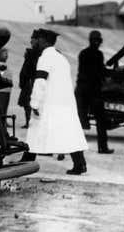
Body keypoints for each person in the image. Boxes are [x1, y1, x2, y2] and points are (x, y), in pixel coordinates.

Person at [22, 29, 89, 175]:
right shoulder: (61, 57)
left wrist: (34, 103)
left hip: (50, 104)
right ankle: (80, 164)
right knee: (69, 134)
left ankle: (25, 162)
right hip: (65, 104)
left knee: (35, 130)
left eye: (38, 39)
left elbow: (40, 81)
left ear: (44, 41)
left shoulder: (45, 58)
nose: (36, 41)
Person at [75, 30, 113, 153]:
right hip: (93, 92)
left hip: (81, 90)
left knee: (79, 121)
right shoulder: (98, 54)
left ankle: (73, 148)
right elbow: (101, 72)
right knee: (101, 120)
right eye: (96, 40)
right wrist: (115, 73)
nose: (97, 43)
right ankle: (103, 148)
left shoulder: (83, 53)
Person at [18, 30, 40, 128]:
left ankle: (31, 122)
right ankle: (28, 121)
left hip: (32, 82)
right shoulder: (31, 53)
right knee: (27, 105)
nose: (31, 42)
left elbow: (28, 69)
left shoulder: (35, 54)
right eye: (31, 39)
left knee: (32, 104)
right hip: (28, 82)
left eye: (33, 39)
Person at [0, 48, 12, 116]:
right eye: (5, 54)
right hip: (2, 90)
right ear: (0, 55)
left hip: (7, 90)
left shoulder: (6, 65)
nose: (6, 56)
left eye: (7, 54)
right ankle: (0, 121)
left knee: (5, 107)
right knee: (1, 107)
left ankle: (3, 120)